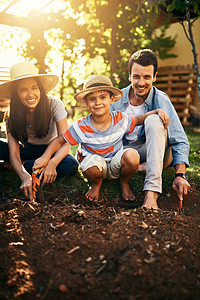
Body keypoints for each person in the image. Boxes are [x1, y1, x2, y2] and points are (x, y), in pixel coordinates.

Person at [33, 75, 169, 202]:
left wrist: (157, 111)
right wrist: (46, 158)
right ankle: (96, 184)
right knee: (90, 164)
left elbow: (139, 119)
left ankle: (124, 182)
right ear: (86, 103)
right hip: (95, 166)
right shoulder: (82, 125)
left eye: (103, 97)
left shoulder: (120, 118)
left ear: (112, 99)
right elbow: (59, 140)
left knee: (132, 155)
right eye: (92, 99)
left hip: (116, 164)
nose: (98, 102)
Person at [110, 49, 190, 209]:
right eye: (136, 76)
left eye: (147, 77)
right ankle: (140, 166)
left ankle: (151, 195)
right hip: (126, 153)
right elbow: (104, 133)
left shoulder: (161, 99)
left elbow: (180, 141)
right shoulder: (116, 101)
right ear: (129, 76)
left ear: (155, 76)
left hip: (157, 149)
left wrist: (180, 175)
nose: (141, 83)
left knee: (154, 119)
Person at [0, 61, 78, 202]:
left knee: (71, 164)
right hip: (26, 149)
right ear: (16, 93)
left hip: (51, 149)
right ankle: (22, 165)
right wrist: (24, 176)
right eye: (23, 90)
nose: (30, 94)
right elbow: (14, 152)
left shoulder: (54, 104)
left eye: (34, 88)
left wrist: (52, 163)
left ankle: (14, 166)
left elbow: (65, 143)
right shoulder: (12, 114)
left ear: (40, 89)